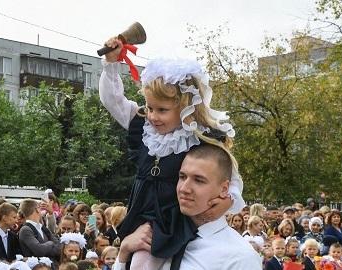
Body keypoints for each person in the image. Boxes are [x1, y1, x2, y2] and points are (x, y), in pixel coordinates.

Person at [99, 37, 239, 269]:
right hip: (142, 213)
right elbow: (113, 101)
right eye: (150, 107)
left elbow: (229, 174)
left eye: (162, 110)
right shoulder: (143, 127)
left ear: (186, 107)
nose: (153, 116)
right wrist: (111, 63)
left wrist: (228, 200)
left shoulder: (199, 137)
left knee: (146, 261)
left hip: (171, 219)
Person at [113, 144, 260, 269]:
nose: (184, 188)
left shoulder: (240, 257)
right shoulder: (155, 235)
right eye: (182, 177)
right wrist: (123, 253)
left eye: (199, 180)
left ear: (224, 189)